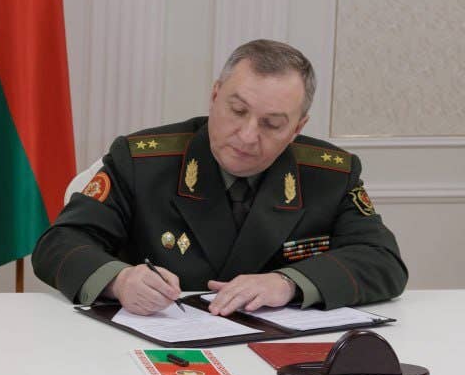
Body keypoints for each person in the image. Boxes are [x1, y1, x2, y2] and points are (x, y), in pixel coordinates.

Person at [32, 39, 406, 316]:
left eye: (272, 124)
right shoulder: (142, 161)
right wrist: (120, 280)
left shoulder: (330, 174)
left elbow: (382, 261)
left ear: (298, 127)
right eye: (237, 110)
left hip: (280, 360)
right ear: (214, 96)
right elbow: (59, 243)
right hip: (155, 352)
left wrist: (288, 283)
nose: (247, 135)